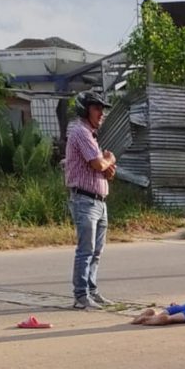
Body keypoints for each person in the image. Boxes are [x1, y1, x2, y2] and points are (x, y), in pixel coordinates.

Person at [64, 91, 115, 310]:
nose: (101, 114)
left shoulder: (91, 135)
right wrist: (109, 159)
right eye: (96, 108)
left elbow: (106, 170)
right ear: (85, 110)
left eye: (102, 109)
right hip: (85, 200)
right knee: (86, 250)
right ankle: (81, 296)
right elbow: (98, 164)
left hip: (99, 200)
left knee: (96, 251)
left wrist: (107, 166)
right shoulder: (80, 132)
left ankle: (92, 291)